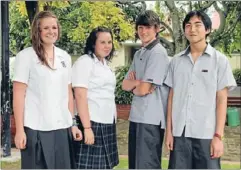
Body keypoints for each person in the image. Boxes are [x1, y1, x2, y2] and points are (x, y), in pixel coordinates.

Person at [164, 10, 237, 169]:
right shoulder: (176, 61)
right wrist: (169, 132)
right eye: (188, 25)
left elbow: (221, 100)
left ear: (208, 29)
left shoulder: (220, 61)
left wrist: (218, 136)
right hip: (179, 134)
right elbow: (171, 97)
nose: (192, 29)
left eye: (198, 25)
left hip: (206, 134)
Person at [13, 11, 81, 169]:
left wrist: (73, 124)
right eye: (46, 28)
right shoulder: (25, 57)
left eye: (54, 27)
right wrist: (20, 130)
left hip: (62, 128)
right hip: (36, 129)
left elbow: (68, 94)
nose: (51, 31)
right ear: (38, 31)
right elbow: (18, 95)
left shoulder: (65, 57)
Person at [122, 10, 170, 169]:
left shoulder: (158, 53)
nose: (143, 31)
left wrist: (136, 85)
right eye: (140, 27)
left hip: (151, 120)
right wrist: (138, 83)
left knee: (147, 165)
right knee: (135, 165)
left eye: (148, 27)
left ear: (156, 29)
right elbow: (125, 85)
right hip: (136, 117)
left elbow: (143, 90)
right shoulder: (139, 54)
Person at [72, 26, 119, 169]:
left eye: (109, 42)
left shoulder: (105, 64)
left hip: (107, 122)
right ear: (93, 43)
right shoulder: (85, 62)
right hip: (91, 122)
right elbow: (80, 95)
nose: (107, 46)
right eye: (102, 42)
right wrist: (87, 127)